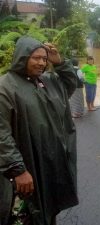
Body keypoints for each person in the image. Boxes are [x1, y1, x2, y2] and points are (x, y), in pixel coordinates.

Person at [0, 36, 79, 225]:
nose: (42, 63)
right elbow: (1, 134)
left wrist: (59, 63)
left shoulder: (46, 82)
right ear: (22, 57)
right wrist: (18, 170)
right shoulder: (6, 87)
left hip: (49, 165)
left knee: (48, 209)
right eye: (36, 58)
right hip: (25, 168)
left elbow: (70, 85)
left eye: (44, 59)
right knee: (25, 216)